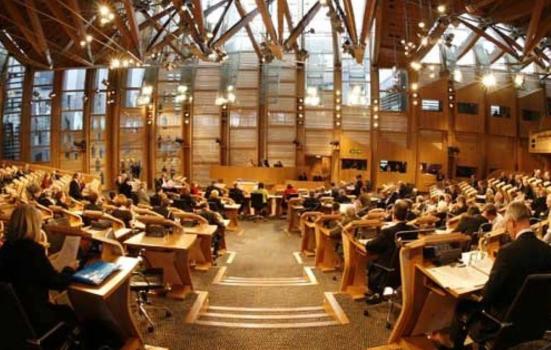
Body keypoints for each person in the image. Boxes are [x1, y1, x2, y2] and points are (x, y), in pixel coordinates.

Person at [439, 202, 551, 349]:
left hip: (501, 324)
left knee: (463, 305)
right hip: (535, 324)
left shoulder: (507, 252)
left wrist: (475, 294)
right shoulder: (547, 251)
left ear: (512, 223)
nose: (506, 229)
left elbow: (488, 296)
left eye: (506, 225)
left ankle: (453, 346)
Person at [0, 205, 77, 335]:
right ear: (33, 226)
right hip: (36, 319)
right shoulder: (33, 251)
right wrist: (70, 269)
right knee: (68, 312)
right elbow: (56, 283)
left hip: (12, 321)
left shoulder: (5, 249)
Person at [365, 200, 416, 304]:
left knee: (369, 260)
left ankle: (377, 292)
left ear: (393, 214)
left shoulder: (388, 231)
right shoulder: (413, 230)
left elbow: (370, 246)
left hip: (388, 271)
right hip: (404, 269)